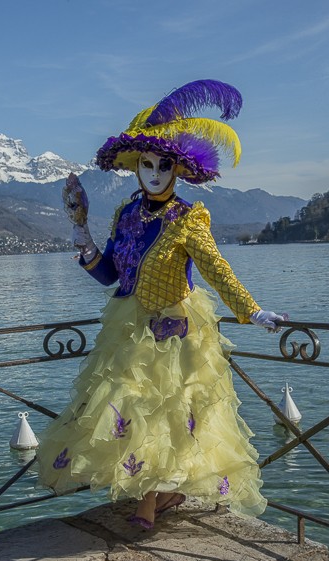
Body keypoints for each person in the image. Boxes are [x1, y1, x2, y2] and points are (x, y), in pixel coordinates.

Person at [36, 79, 286, 529]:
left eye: (163, 165)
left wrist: (253, 310)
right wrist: (80, 232)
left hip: (177, 330)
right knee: (128, 410)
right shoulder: (127, 214)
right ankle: (163, 494)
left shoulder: (190, 217)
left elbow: (216, 268)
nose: (153, 173)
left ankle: (147, 505)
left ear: (178, 169)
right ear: (136, 167)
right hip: (128, 329)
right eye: (146, 164)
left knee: (170, 417)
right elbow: (110, 275)